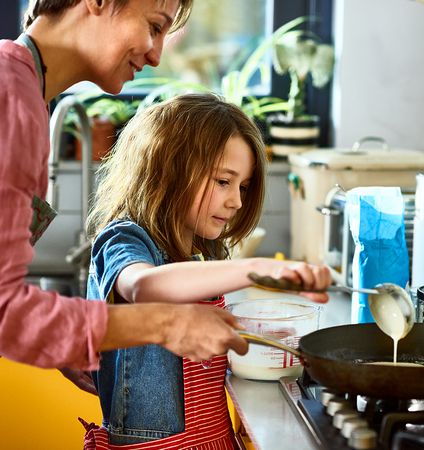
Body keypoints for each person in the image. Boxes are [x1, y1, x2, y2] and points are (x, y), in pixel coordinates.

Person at [0, 0, 330, 397]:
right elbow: (5, 311)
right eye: (154, 26)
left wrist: (70, 337)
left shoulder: (25, 95)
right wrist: (168, 324)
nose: (157, 56)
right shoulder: (11, 102)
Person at [80, 93, 329, 448]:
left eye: (242, 186)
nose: (237, 201)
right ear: (168, 170)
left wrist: (262, 337)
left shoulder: (197, 252)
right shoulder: (124, 240)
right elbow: (145, 288)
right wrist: (257, 268)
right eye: (223, 181)